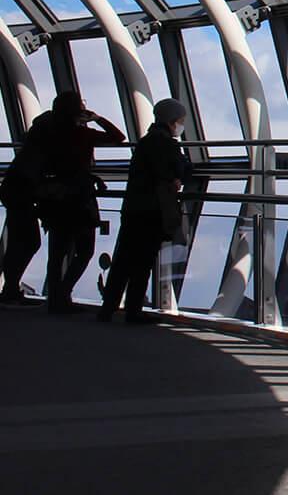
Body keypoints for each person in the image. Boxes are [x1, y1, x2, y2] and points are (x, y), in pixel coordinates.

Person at [98, 98, 190, 324]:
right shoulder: (166, 144)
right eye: (180, 121)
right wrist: (178, 176)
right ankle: (133, 310)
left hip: (134, 208)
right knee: (142, 263)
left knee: (123, 261)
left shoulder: (146, 141)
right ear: (172, 121)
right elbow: (179, 168)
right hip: (152, 210)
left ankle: (108, 308)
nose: (181, 125)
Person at [31, 92, 123, 314]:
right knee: (84, 250)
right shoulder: (83, 134)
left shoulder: (48, 133)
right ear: (77, 111)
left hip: (55, 198)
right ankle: (63, 293)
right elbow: (117, 136)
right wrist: (96, 117)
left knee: (57, 252)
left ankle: (55, 298)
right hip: (80, 199)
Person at [1, 111, 46, 304]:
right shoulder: (39, 151)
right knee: (28, 242)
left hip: (15, 196)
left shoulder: (30, 148)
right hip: (21, 197)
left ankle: (10, 287)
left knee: (19, 243)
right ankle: (10, 287)